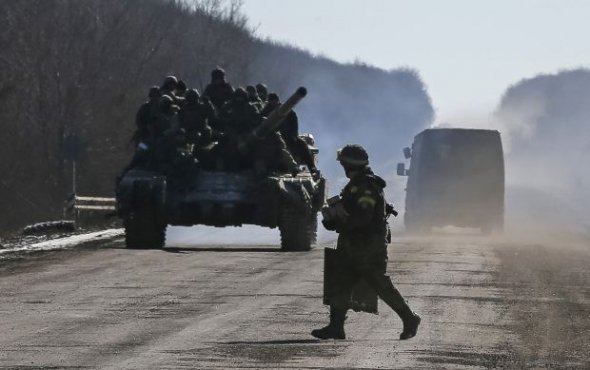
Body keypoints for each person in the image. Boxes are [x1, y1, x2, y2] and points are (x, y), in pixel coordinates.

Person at [312, 144, 421, 340]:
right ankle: (336, 327)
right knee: (341, 282)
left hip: (368, 245)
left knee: (379, 282)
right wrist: (332, 219)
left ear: (348, 165)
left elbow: (363, 217)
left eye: (343, 164)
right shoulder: (357, 184)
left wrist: (340, 222)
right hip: (354, 243)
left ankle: (409, 318)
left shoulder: (366, 186)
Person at [262, 93, 317, 173]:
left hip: (287, 135)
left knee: (302, 145)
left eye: (274, 101)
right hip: (273, 136)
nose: (273, 103)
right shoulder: (266, 109)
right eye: (271, 101)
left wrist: (294, 134)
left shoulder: (284, 108)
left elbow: (294, 120)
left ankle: (311, 169)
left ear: (277, 101)